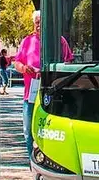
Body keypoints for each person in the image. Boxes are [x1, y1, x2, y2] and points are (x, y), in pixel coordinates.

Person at [14, 10, 74, 162]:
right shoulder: (27, 41)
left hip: (53, 94)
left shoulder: (59, 41)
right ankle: (32, 162)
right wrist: (24, 68)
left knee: (53, 132)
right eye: (37, 22)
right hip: (31, 95)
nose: (39, 25)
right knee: (28, 132)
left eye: (42, 22)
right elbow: (17, 62)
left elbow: (69, 62)